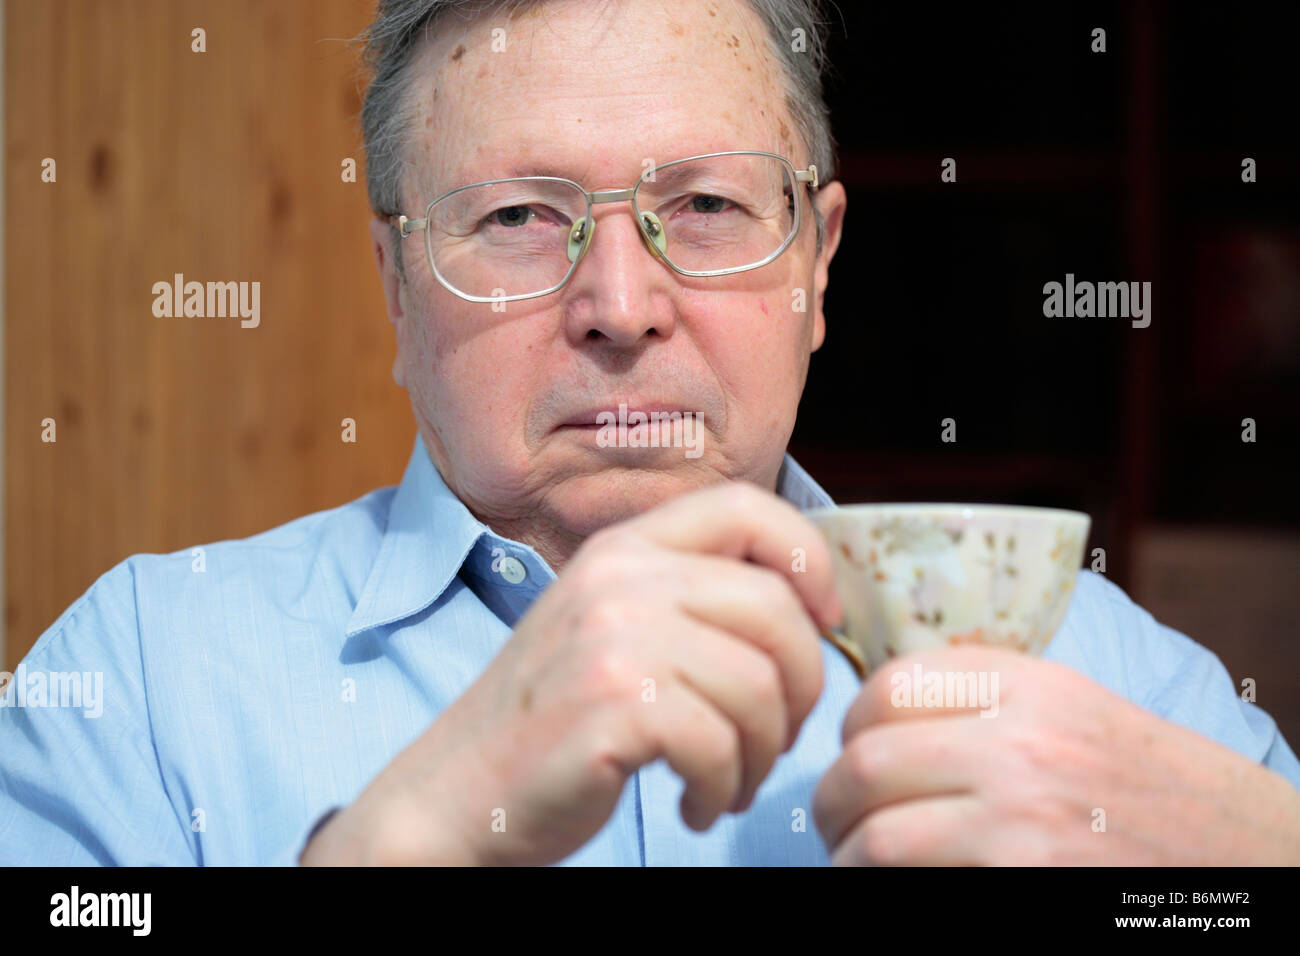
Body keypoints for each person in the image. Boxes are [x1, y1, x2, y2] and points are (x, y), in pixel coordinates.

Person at [2, 0, 1298, 867]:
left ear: (820, 268)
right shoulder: (138, 690)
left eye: (711, 206)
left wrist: (1246, 862)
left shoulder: (1123, 686)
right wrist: (410, 839)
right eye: (515, 218)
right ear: (396, 287)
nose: (620, 308)